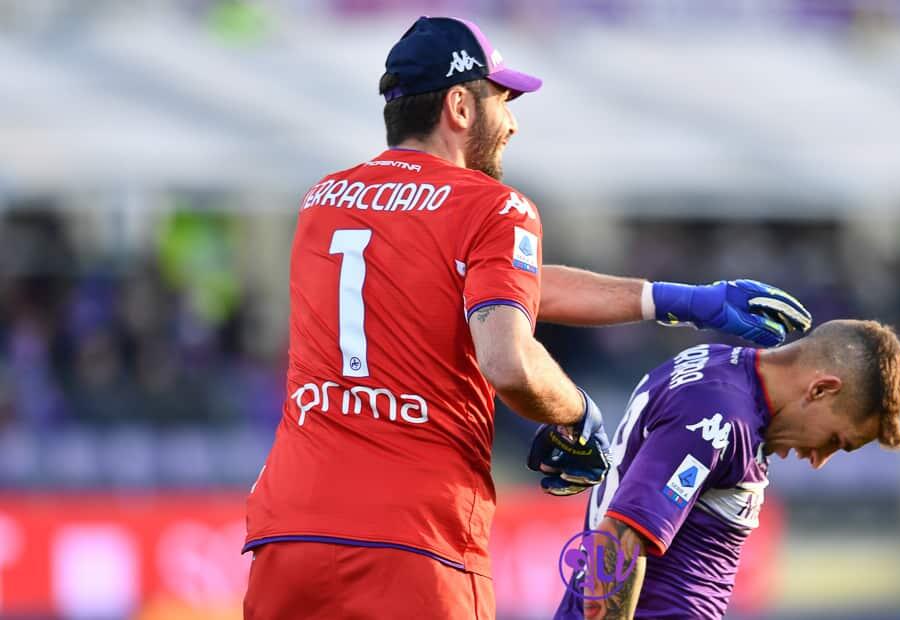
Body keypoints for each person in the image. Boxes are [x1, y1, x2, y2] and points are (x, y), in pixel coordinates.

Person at [240, 16, 812, 620]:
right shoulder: (492, 206)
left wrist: (674, 300)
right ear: (460, 106)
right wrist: (578, 416)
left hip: (288, 533)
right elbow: (507, 359)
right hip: (415, 541)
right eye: (502, 100)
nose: (512, 121)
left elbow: (500, 284)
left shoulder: (324, 199)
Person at [549, 319, 900, 619]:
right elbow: (618, 538)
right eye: (834, 440)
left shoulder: (722, 369)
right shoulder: (717, 416)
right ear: (820, 390)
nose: (818, 459)